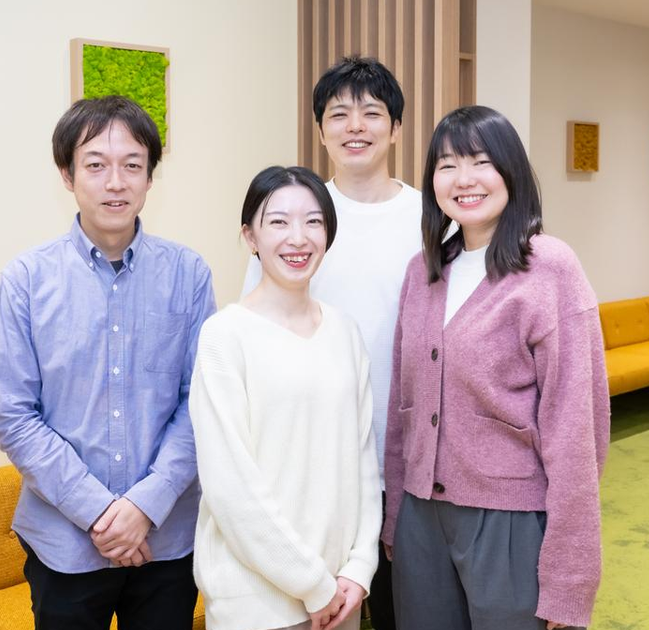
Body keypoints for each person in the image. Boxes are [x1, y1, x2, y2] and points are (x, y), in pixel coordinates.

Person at [0, 95, 215, 630]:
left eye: (132, 165)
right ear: (67, 174)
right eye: (96, 165)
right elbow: (14, 417)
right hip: (64, 545)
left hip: (166, 541)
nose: (116, 182)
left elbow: (201, 403)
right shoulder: (25, 281)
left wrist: (145, 506)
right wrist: (100, 513)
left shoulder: (188, 274)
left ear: (150, 177)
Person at [382, 106, 610, 630]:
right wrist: (397, 517)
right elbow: (402, 410)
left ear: (511, 171)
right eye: (447, 165)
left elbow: (577, 429)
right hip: (420, 518)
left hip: (510, 522)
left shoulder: (549, 268)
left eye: (481, 162)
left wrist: (571, 574)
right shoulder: (422, 272)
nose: (464, 179)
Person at [241, 57, 419, 630]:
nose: (355, 126)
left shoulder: (429, 217)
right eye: (339, 114)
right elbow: (255, 337)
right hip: (312, 469)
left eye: (372, 113)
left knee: (403, 613)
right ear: (320, 130)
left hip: (408, 467)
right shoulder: (296, 217)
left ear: (396, 127)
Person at [192, 166, 382, 630]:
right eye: (278, 222)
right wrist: (313, 585)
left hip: (339, 595)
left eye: (313, 221)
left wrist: (359, 568)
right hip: (255, 603)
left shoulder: (344, 331)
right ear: (250, 236)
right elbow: (230, 487)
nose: (298, 238)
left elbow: (362, 460)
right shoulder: (224, 336)